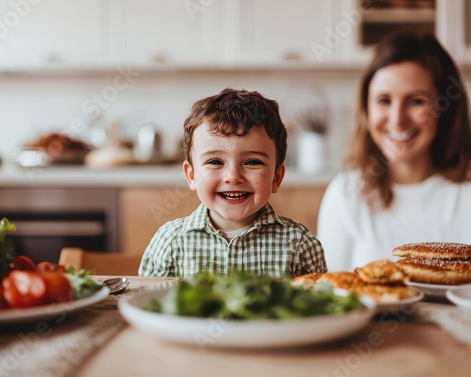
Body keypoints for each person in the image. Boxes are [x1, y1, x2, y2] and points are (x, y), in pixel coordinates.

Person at [317, 32, 471, 272]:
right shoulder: (346, 194)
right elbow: (331, 294)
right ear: (366, 109)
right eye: (384, 100)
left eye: (416, 101)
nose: (397, 121)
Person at [139, 88, 327, 277]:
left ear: (276, 178)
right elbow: (144, 301)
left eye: (252, 162)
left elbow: (324, 303)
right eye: (215, 162)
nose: (233, 176)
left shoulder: (301, 245)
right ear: (191, 175)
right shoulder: (169, 241)